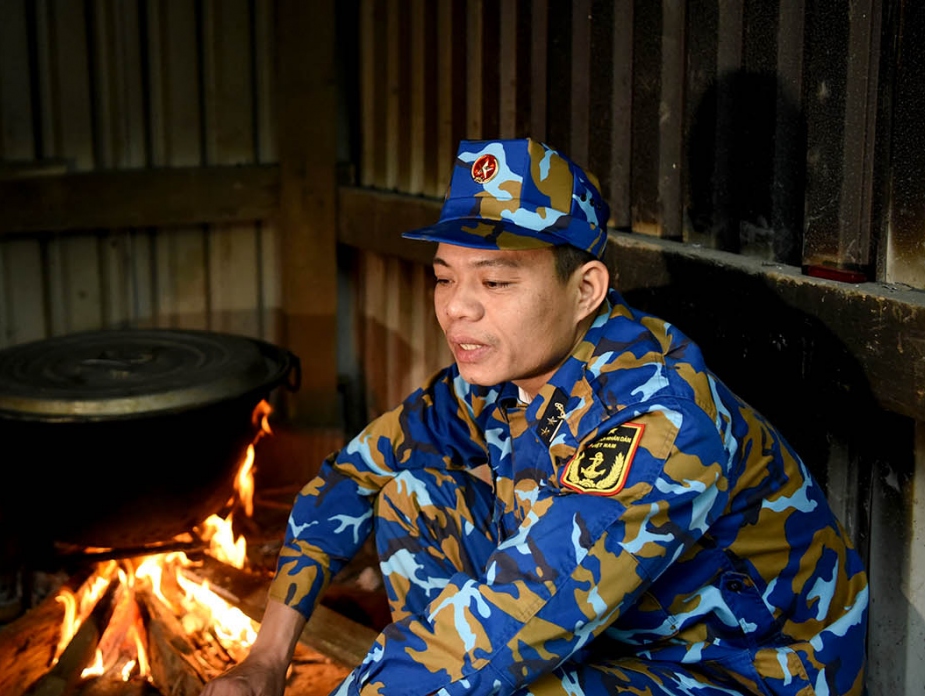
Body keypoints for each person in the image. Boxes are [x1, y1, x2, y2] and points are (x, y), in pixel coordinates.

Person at [202, 138, 868, 696]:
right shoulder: (504, 372)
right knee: (413, 498)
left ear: (585, 292)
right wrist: (264, 663)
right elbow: (354, 475)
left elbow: (501, 635)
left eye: (494, 282)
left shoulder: (658, 419)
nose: (458, 308)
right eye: (443, 276)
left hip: (746, 670)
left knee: (509, 681)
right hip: (625, 633)